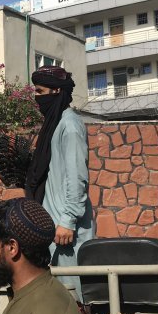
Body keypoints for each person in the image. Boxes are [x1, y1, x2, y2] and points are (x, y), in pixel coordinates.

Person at [24, 65, 94, 301]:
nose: (37, 98)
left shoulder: (69, 125)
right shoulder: (55, 124)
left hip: (65, 230)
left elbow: (76, 177)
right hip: (52, 224)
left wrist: (68, 221)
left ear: (56, 91)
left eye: (40, 92)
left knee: (73, 297)